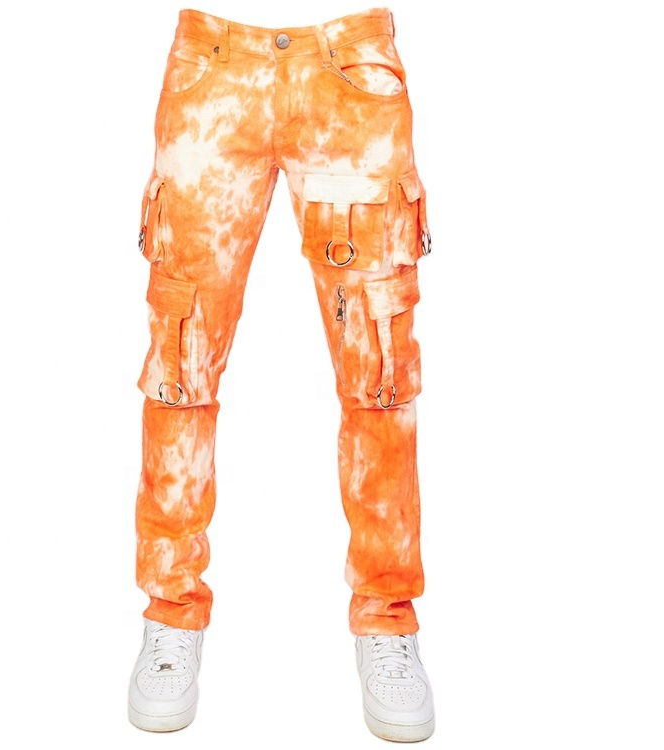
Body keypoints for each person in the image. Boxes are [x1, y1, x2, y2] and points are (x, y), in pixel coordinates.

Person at [127, 7, 435, 742]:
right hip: (213, 67)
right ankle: (171, 611)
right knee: (181, 359)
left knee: (379, 367)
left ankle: (387, 617)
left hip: (351, 70)